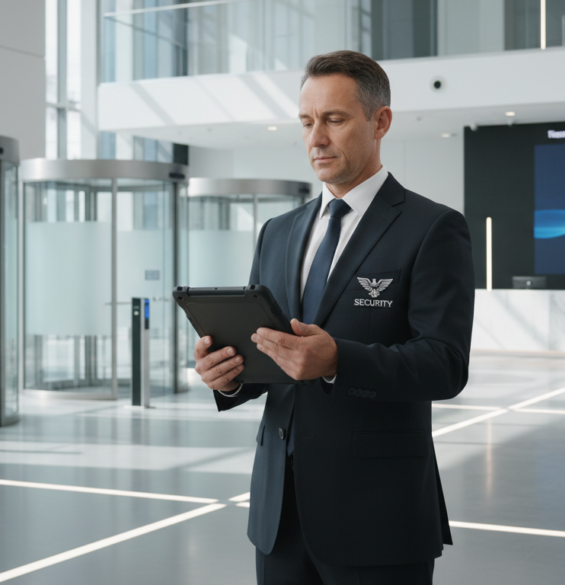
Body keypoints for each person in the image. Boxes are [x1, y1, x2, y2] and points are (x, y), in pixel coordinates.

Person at [193, 50, 475, 585]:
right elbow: (270, 358)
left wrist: (337, 360)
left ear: (381, 121)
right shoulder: (277, 232)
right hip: (280, 514)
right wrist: (227, 375)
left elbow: (444, 364)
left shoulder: (433, 228)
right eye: (306, 122)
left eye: (334, 119)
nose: (316, 138)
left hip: (378, 516)